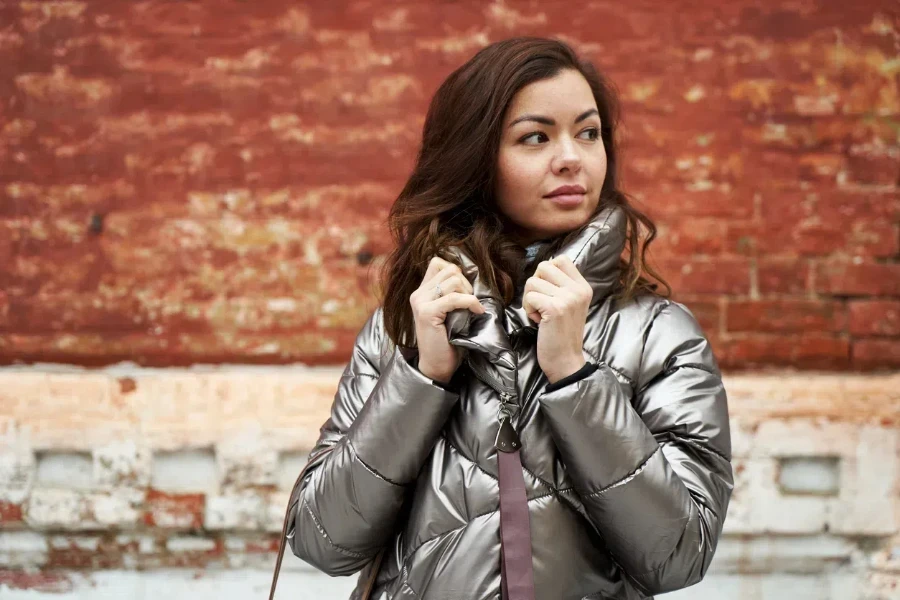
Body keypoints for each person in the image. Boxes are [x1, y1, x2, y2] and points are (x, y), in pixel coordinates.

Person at [284, 37, 733, 600]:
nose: (571, 157)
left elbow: (679, 556)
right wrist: (423, 379)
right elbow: (323, 541)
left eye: (588, 132)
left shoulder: (658, 334)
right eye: (535, 137)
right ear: (475, 159)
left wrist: (575, 376)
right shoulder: (406, 324)